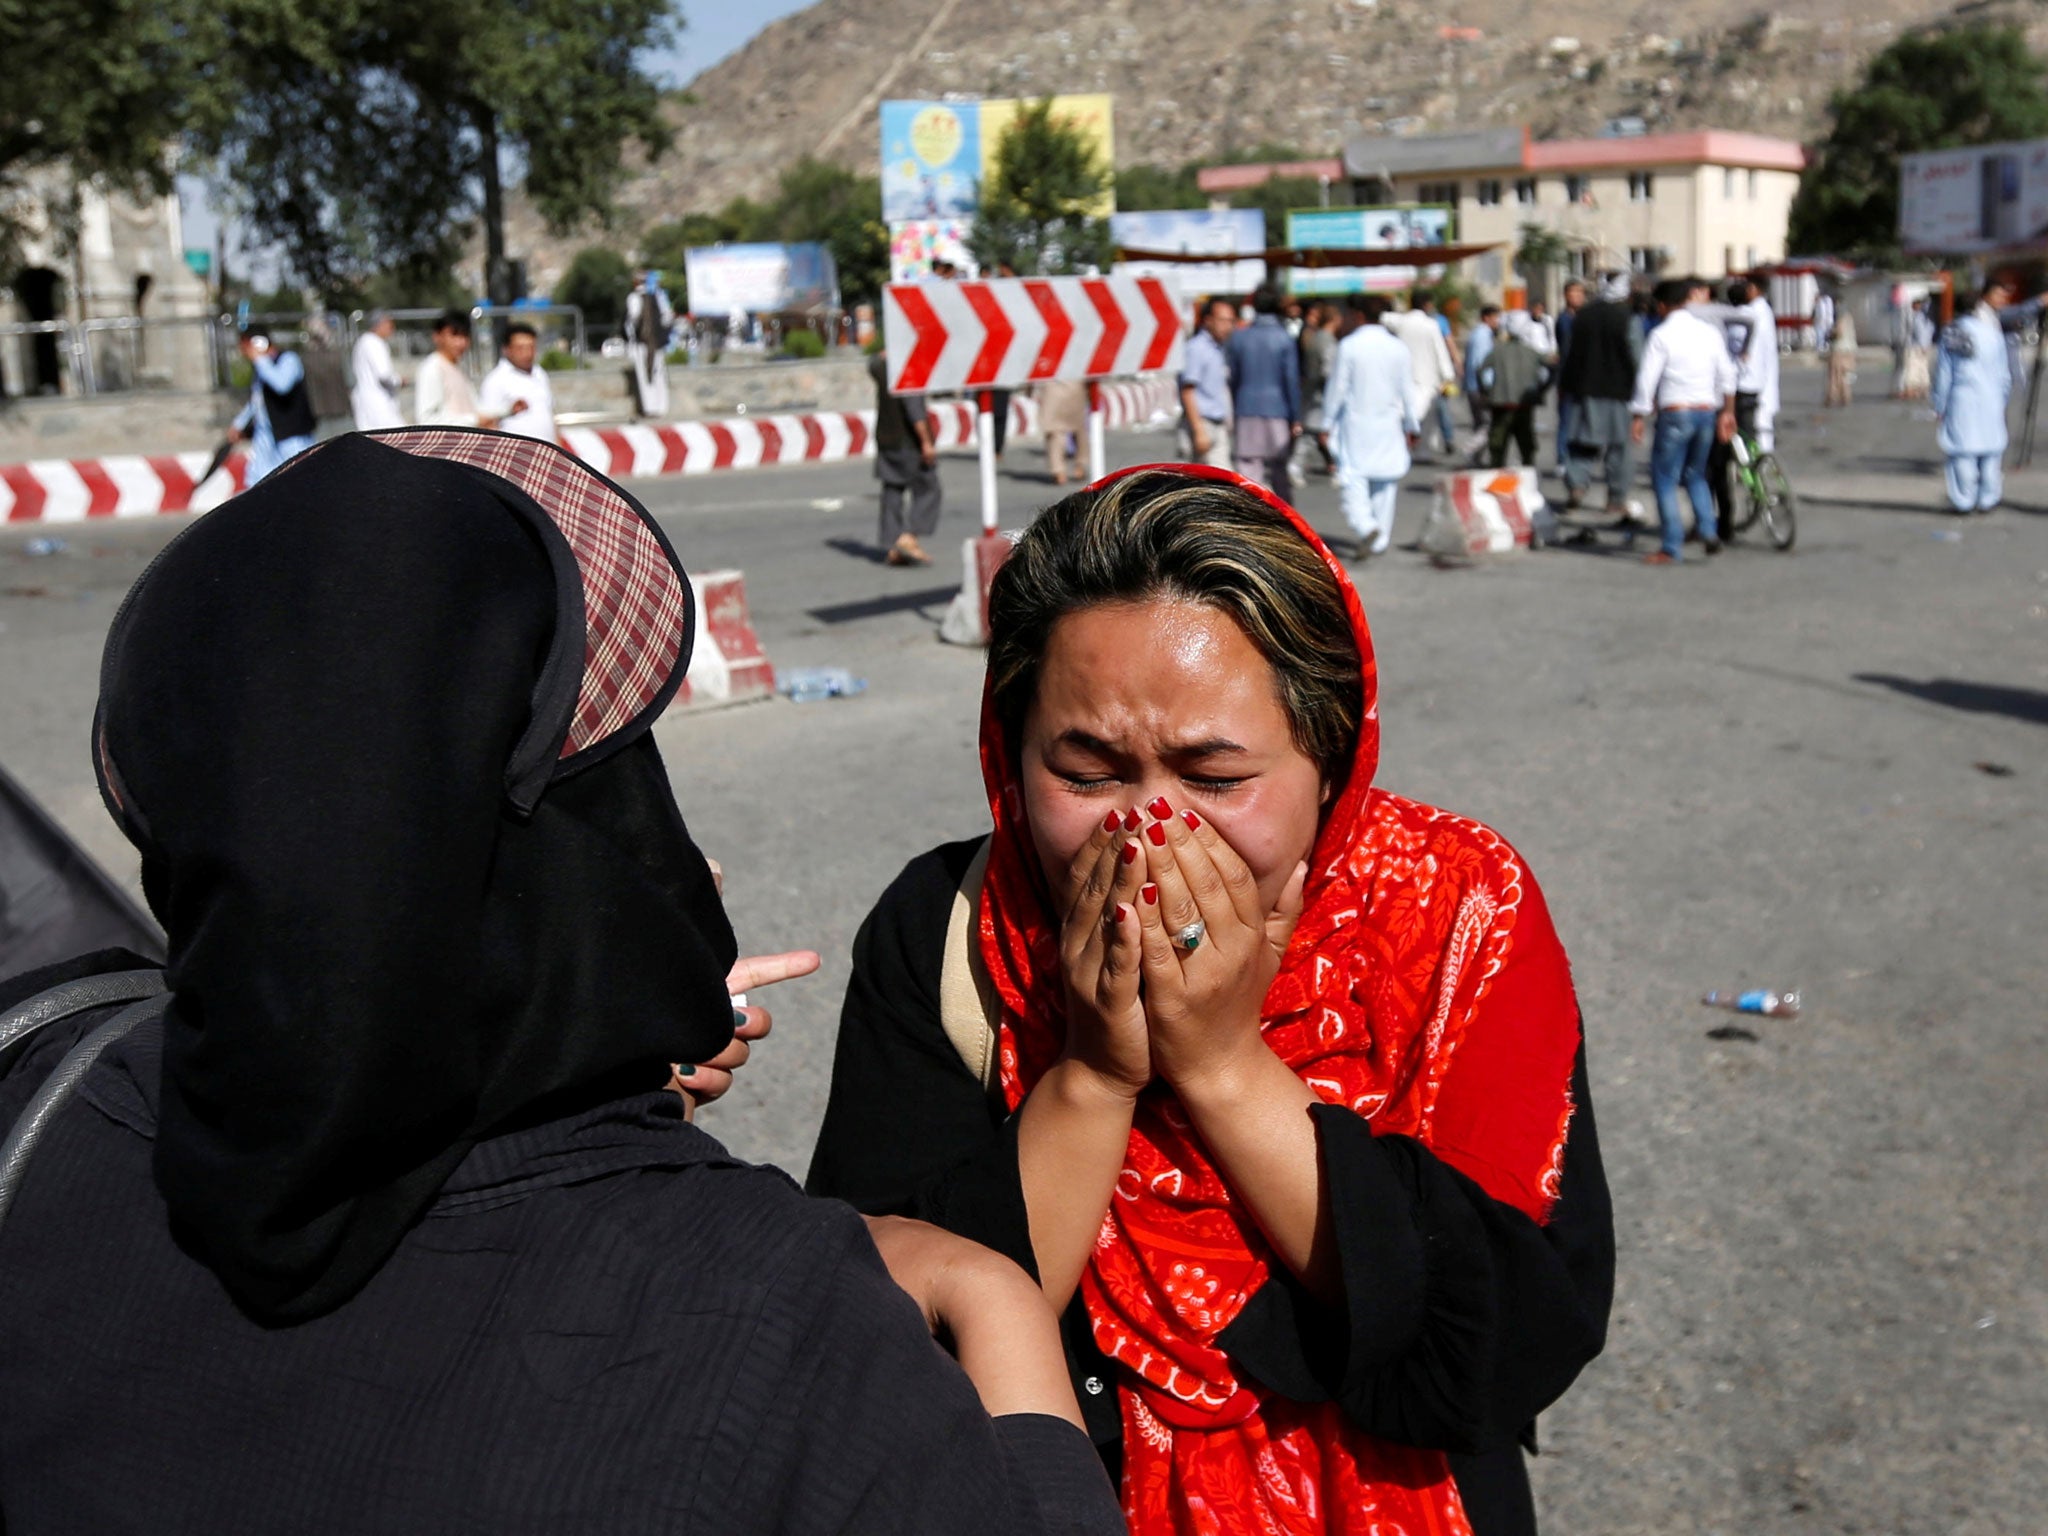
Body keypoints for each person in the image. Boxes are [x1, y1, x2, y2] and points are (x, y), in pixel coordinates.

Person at [0, 430, 1122, 1536]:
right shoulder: (781, 1326)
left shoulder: (43, 1104)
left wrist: (586, 1063)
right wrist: (1001, 1310)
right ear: (605, 814)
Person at [807, 464, 1613, 1536]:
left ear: (1327, 758)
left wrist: (1227, 1068)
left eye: (1215, 776)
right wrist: (1093, 1073)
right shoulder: (950, 928)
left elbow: (1516, 1336)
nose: (1149, 831)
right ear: (1009, 758)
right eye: (1087, 772)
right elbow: (881, 1349)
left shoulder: (1455, 915)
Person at [1630, 276, 1736, 564]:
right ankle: (1708, 531)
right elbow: (1727, 374)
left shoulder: (1661, 335)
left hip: (1676, 411)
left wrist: (1638, 414)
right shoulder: (1709, 333)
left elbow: (1646, 380)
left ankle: (1671, 545)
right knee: (1696, 475)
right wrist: (1727, 411)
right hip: (1706, 410)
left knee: (1664, 479)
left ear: (1663, 306)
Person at [1323, 294, 1417, 560]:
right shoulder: (1398, 347)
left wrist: (1326, 422)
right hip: (1389, 424)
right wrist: (1413, 425)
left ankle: (1366, 527)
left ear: (1359, 316)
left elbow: (1337, 388)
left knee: (1352, 476)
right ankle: (1379, 538)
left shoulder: (1349, 346)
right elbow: (1407, 390)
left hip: (1356, 424)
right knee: (1385, 484)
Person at [1559, 271, 1643, 521]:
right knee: (1619, 448)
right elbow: (1637, 357)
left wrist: (1564, 385)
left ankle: (1577, 486)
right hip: (1619, 393)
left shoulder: (1582, 316)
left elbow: (1568, 354)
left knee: (1581, 444)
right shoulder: (1628, 319)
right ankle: (1615, 499)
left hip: (1582, 389)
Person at [1932, 280, 2017, 516]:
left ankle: (1964, 500)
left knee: (1962, 451)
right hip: (1991, 397)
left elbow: (1944, 372)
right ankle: (1988, 499)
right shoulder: (1993, 334)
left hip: (1963, 398)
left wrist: (1939, 403)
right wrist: (2002, 399)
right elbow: (2004, 375)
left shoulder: (1953, 331)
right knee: (1991, 450)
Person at [1709, 279, 1782, 532]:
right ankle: (1754, 474)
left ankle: (1723, 519)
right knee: (1748, 438)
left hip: (1733, 390)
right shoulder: (1762, 313)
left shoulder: (1727, 320)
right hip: (1755, 387)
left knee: (1718, 458)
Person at [1225, 283, 1302, 497]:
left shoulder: (1240, 337)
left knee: (1249, 469)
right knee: (1279, 468)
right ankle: (1285, 519)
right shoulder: (1284, 337)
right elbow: (1291, 380)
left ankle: (1251, 518)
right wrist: (1295, 416)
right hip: (1278, 408)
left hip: (1246, 406)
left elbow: (1233, 376)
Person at [870, 349, 941, 564]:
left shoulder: (880, 366)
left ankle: (894, 547)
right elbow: (915, 412)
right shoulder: (908, 370)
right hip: (906, 442)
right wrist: (926, 442)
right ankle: (908, 538)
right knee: (929, 488)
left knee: (892, 490)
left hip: (885, 438)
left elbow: (872, 363)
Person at [227, 327, 316, 485]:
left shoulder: (288, 360)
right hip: (266, 435)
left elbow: (282, 385)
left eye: (246, 347)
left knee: (299, 480)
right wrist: (239, 424)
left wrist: (261, 360)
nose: (244, 353)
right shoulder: (261, 369)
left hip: (291, 436)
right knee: (257, 481)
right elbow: (256, 400)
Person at [1385, 296, 1457, 454]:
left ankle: (1402, 444)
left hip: (1403, 375)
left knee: (1402, 411)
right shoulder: (1431, 325)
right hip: (1427, 377)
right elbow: (1440, 351)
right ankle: (1422, 449)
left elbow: (1384, 318)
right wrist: (1448, 375)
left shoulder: (1402, 321)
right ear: (1427, 305)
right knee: (1426, 416)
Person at [1478, 319, 1551, 469]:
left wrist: (1486, 391)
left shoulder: (1498, 350)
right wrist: (1542, 389)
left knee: (1498, 443)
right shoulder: (1532, 352)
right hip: (1525, 403)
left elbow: (1480, 370)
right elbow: (1552, 367)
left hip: (1501, 403)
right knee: (1526, 443)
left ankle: (1496, 471)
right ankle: (1528, 472)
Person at [1177, 296, 1236, 468]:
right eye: (1223, 321)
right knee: (1191, 481)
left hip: (1217, 424)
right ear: (1208, 321)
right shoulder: (1197, 348)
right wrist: (1198, 431)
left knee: (1223, 482)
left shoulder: (1219, 349)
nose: (1228, 326)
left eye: (1231, 321)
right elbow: (1188, 390)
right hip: (1201, 423)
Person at [414, 310, 498, 429]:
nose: (461, 342)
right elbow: (427, 420)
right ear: (437, 336)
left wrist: (507, 410)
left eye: (465, 336)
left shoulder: (458, 367)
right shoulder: (432, 368)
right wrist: (473, 420)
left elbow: (476, 408)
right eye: (454, 335)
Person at [478, 321, 558, 442]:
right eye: (520, 348)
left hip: (547, 451)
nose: (527, 353)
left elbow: (550, 415)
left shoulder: (539, 374)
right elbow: (486, 423)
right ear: (506, 349)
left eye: (531, 347)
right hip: (515, 455)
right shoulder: (496, 379)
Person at [1296, 300, 1340, 477]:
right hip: (1322, 394)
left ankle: (1331, 463)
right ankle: (1296, 465)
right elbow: (1328, 371)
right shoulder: (1327, 341)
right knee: (1314, 433)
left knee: (1311, 433)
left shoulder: (1314, 338)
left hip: (1311, 390)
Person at [626, 270, 674, 418]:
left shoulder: (634, 298)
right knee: (658, 374)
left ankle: (650, 408)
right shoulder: (658, 296)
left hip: (642, 343)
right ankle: (661, 407)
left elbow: (632, 321)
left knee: (645, 376)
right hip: (657, 343)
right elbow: (667, 317)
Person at [347, 311, 404, 431]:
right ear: (380, 324)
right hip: (378, 404)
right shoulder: (374, 343)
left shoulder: (363, 341)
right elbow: (384, 375)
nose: (392, 329)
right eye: (389, 325)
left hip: (369, 402)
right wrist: (400, 381)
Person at [1554, 280, 1587, 471]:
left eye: (1580, 292)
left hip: (1586, 378)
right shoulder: (1564, 319)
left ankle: (1580, 460)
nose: (1576, 296)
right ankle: (1562, 458)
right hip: (1568, 377)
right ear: (1565, 295)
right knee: (1566, 420)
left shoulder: (1587, 318)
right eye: (1572, 292)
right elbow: (1564, 350)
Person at [1037, 375, 1089, 486]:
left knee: (1055, 432)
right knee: (1079, 429)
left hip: (1052, 388)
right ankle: (1080, 466)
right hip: (1075, 387)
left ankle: (1058, 471)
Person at [1464, 302, 1500, 450]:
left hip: (1474, 385)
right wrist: (1487, 386)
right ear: (1487, 318)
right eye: (1496, 318)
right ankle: (1470, 450)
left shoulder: (1479, 334)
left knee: (1480, 424)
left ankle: (1476, 458)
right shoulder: (1482, 335)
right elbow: (1479, 363)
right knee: (1489, 424)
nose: (1498, 322)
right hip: (1480, 387)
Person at [1899, 296, 1936, 400]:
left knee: (1912, 368)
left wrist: (1922, 344)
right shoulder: (1927, 318)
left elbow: (1919, 332)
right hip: (1923, 346)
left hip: (1915, 347)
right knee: (1922, 368)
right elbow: (1930, 331)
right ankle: (1922, 389)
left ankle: (1912, 390)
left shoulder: (1918, 317)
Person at [1824, 308, 1858, 407]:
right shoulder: (1849, 318)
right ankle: (1845, 396)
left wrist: (1829, 335)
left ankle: (1832, 396)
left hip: (1839, 350)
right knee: (1845, 375)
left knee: (1835, 375)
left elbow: (1839, 333)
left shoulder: (1840, 319)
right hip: (1850, 350)